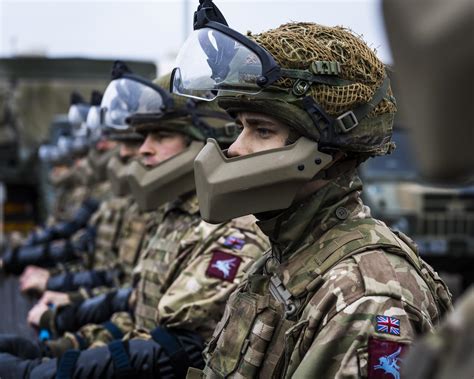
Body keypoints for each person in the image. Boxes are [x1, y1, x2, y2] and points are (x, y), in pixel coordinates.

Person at [169, 2, 453, 377]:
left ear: (328, 153)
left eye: (261, 130)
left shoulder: (368, 298)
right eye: (240, 126)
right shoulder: (290, 254)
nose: (235, 147)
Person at [0, 71, 268, 378]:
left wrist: (45, 370)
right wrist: (61, 349)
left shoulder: (234, 231)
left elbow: (172, 348)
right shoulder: (172, 215)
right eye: (143, 137)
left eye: (162, 136)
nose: (141, 150)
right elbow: (139, 315)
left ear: (210, 141)